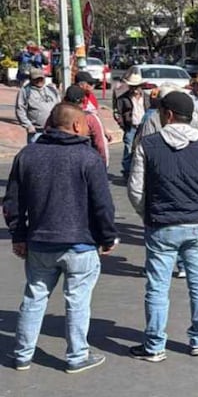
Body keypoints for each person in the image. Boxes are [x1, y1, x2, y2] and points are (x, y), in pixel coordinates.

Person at [4, 104, 118, 373]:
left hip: (40, 243)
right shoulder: (88, 158)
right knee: (77, 301)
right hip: (81, 243)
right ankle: (77, 356)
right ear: (77, 126)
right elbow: (102, 205)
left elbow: (12, 202)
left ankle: (22, 354)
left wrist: (18, 235)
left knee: (34, 298)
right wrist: (108, 237)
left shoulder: (27, 155)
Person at [127, 91, 198, 362]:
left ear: (168, 115)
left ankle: (154, 345)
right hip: (197, 223)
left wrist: (146, 214)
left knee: (157, 287)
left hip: (161, 225)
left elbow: (136, 190)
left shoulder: (147, 144)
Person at [58, 85, 109, 166]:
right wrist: (103, 165)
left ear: (65, 99)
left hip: (60, 162)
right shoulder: (90, 118)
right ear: (83, 101)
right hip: (84, 164)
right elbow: (101, 145)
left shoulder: (56, 116)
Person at [113, 73, 150, 176]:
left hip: (143, 126)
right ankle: (127, 170)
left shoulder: (146, 97)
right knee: (128, 146)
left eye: (136, 86)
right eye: (132, 86)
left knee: (143, 147)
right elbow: (117, 112)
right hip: (131, 126)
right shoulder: (123, 98)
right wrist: (122, 124)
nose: (134, 89)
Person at [15, 67, 60, 144]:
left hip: (52, 130)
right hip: (36, 132)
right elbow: (20, 110)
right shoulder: (25, 91)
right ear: (31, 79)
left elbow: (59, 107)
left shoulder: (51, 90)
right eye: (36, 79)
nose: (39, 81)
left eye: (41, 78)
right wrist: (28, 125)